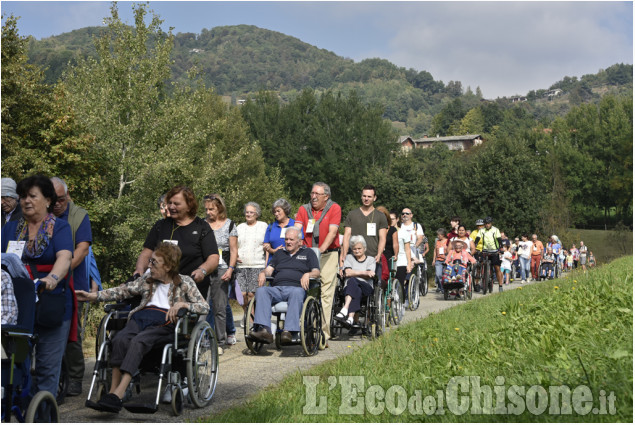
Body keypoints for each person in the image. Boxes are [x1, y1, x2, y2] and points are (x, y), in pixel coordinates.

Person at [77, 242, 209, 413]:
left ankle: (119, 393)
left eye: (154, 262)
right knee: (119, 338)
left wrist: (182, 305)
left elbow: (204, 307)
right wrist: (92, 295)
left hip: (165, 323)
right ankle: (112, 392)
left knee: (139, 341)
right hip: (141, 318)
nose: (149, 265)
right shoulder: (146, 281)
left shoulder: (185, 282)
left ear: (168, 266)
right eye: (150, 261)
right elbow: (121, 291)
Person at [1, 175, 73, 398]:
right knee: (15, 365)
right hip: (18, 303)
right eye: (23, 196)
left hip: (51, 300)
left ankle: (43, 414)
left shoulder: (60, 228)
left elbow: (65, 258)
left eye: (33, 196)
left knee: (47, 368)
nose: (26, 201)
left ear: (48, 200)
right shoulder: (10, 228)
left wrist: (52, 277)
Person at [51, 177, 93, 397]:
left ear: (67, 196)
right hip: (47, 280)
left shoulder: (79, 216)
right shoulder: (42, 215)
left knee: (72, 333)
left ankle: (75, 376)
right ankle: (53, 375)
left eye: (61, 199)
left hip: (72, 282)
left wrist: (61, 271)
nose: (57, 204)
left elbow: (82, 249)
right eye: (53, 200)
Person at [249, 227, 320, 345]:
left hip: (296, 289)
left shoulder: (308, 253)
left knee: (297, 292)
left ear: (300, 241)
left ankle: (289, 331)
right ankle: (265, 330)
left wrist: (308, 274)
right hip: (277, 288)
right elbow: (269, 270)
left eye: (291, 239)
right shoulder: (279, 253)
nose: (288, 242)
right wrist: (263, 273)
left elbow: (317, 272)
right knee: (262, 291)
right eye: (286, 239)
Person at [294, 182, 341, 345]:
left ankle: (323, 334)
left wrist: (320, 250)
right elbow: (297, 229)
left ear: (326, 197)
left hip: (327, 255)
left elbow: (332, 232)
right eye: (312, 193)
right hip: (307, 255)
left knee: (326, 295)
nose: (313, 197)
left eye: (317, 194)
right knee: (306, 291)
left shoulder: (334, 208)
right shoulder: (303, 209)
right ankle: (304, 328)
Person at [202, 193, 237, 351]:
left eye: (211, 209)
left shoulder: (229, 225)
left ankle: (220, 341)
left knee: (220, 307)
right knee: (202, 306)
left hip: (222, 268)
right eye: (206, 209)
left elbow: (234, 250)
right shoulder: (202, 224)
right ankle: (203, 338)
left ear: (220, 208)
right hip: (204, 268)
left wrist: (230, 269)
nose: (208, 212)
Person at [340, 184, 388, 274]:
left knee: (373, 286)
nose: (366, 199)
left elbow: (382, 238)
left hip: (373, 258)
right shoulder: (352, 214)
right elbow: (346, 236)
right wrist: (344, 253)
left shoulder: (380, 216)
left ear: (374, 198)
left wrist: (379, 254)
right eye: (364, 196)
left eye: (369, 196)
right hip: (354, 258)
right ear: (361, 197)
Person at [334, 235, 376, 328]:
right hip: (351, 288)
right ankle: (350, 318)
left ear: (364, 248)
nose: (357, 251)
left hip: (366, 287)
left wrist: (355, 273)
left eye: (359, 248)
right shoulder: (349, 258)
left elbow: (369, 275)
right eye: (354, 249)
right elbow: (347, 273)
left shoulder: (371, 260)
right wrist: (363, 272)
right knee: (355, 288)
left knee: (352, 280)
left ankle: (345, 308)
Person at [236, 202, 268, 323]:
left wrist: (266, 264)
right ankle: (247, 314)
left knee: (252, 294)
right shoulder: (239, 227)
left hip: (258, 265)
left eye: (251, 212)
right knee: (242, 294)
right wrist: (235, 257)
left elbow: (267, 245)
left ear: (257, 214)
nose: (248, 214)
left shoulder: (263, 226)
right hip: (241, 265)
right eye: (247, 212)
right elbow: (234, 245)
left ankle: (251, 320)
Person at [263, 198, 302, 263]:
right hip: (274, 263)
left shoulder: (295, 224)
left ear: (285, 210)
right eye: (274, 212)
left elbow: (301, 243)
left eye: (278, 211)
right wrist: (273, 251)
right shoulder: (271, 226)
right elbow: (265, 245)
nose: (276, 214)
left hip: (291, 262)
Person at [474, 216, 503, 292]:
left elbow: (499, 239)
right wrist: (475, 245)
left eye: (488, 223)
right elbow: (477, 238)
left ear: (491, 223)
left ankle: (500, 285)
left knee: (497, 268)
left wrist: (501, 248)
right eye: (486, 224)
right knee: (481, 264)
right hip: (485, 250)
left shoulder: (495, 230)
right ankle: (484, 278)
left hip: (494, 250)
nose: (487, 225)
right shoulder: (482, 230)